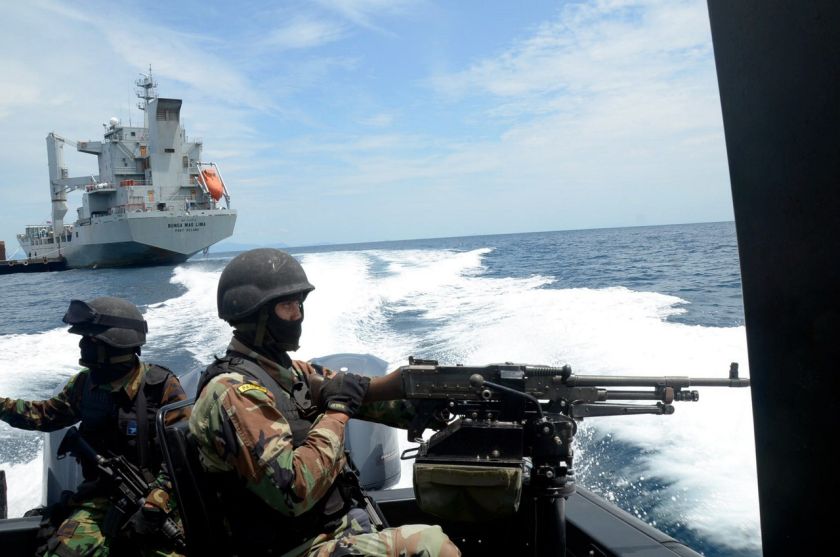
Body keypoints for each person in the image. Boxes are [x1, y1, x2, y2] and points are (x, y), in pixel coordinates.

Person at [189, 248, 460, 557]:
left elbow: (358, 394)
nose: (297, 315)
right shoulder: (234, 393)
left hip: (333, 526)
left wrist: (427, 404)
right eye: (287, 306)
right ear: (257, 315)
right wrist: (337, 412)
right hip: (290, 547)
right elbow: (293, 492)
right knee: (431, 545)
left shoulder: (290, 373)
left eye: (299, 305)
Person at [0, 297, 187, 557]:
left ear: (114, 344)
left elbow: (184, 455)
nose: (82, 344)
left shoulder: (161, 387)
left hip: (158, 503)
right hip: (101, 498)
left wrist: (160, 496)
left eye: (91, 339)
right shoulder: (85, 385)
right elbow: (44, 415)